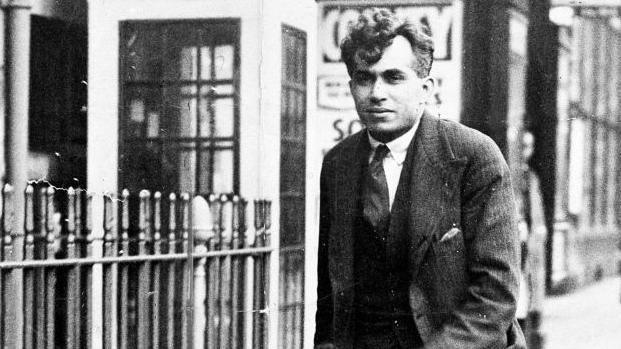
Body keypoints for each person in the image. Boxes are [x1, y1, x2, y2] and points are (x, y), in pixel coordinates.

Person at [314, 9, 526, 349]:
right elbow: (331, 288)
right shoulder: (338, 164)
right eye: (365, 78)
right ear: (352, 86)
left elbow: (495, 295)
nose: (376, 93)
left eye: (394, 77)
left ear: (425, 88)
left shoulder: (473, 157)